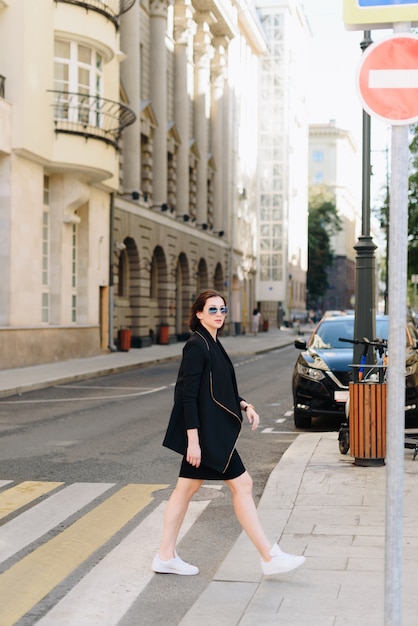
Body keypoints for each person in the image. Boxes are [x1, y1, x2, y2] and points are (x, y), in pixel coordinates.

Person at [152, 289, 305, 577]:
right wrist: (193, 441)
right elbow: (187, 396)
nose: (219, 314)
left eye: (222, 309)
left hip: (208, 432)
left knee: (186, 490)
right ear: (198, 314)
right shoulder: (197, 346)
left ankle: (165, 555)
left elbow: (219, 390)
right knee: (242, 484)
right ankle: (268, 557)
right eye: (212, 310)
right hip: (206, 435)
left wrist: (244, 403)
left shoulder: (212, 343)